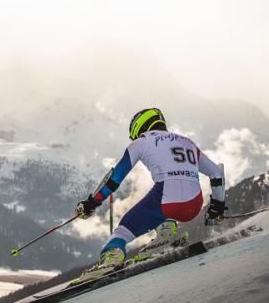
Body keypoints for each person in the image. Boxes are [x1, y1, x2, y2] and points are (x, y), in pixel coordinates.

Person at [74, 108, 226, 280]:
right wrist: (217, 207)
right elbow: (216, 172)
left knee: (122, 230)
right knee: (159, 205)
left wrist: (92, 203)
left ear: (138, 127)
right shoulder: (187, 142)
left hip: (168, 199)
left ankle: (111, 259)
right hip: (194, 204)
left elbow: (114, 179)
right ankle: (167, 233)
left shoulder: (142, 142)